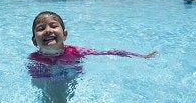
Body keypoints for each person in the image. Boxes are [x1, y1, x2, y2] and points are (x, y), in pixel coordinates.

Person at [27, 11, 157, 80]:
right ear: (34, 41)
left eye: (54, 26)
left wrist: (140, 56)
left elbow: (108, 52)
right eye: (41, 28)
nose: (48, 30)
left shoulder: (75, 51)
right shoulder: (33, 59)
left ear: (65, 35)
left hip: (70, 79)